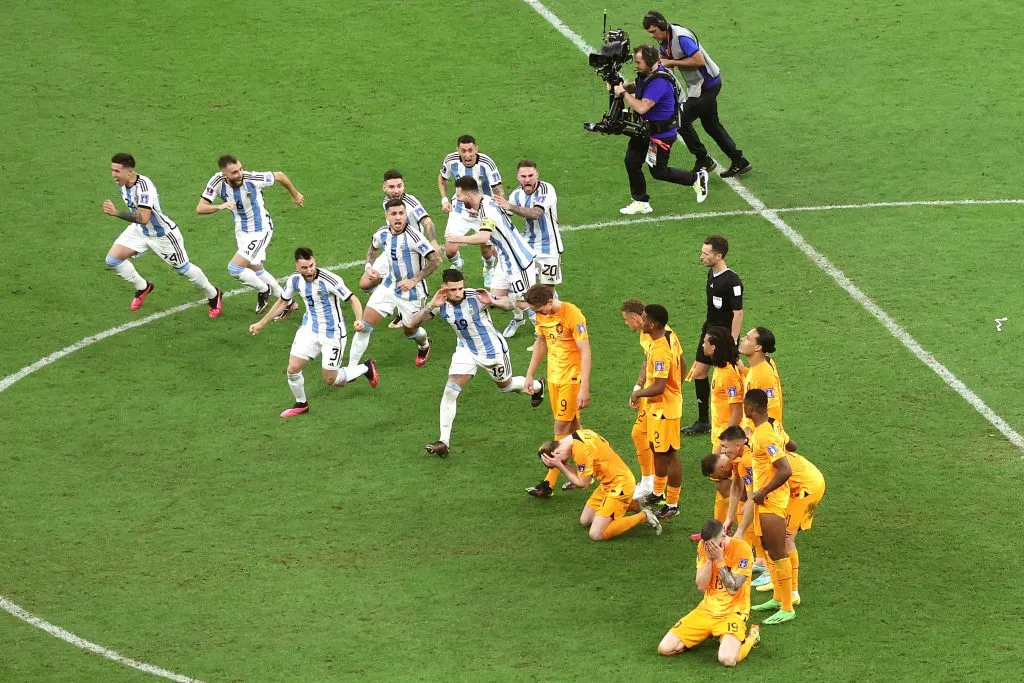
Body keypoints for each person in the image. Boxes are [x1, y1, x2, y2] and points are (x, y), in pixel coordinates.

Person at [404, 269, 545, 458]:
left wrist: (493, 301)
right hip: (465, 350)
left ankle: (537, 386)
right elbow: (411, 324)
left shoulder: (476, 296)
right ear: (444, 287)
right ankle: (443, 442)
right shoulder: (439, 302)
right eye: (453, 289)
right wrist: (430, 306)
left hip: (491, 351)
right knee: (450, 391)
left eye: (460, 288)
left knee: (507, 386)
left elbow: (512, 304)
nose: (458, 293)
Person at [249, 247, 378, 418]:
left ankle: (365, 367)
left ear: (314, 261)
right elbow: (282, 301)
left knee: (330, 380)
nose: (309, 270)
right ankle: (301, 403)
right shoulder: (294, 280)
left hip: (332, 334)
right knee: (293, 368)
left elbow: (353, 299)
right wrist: (261, 323)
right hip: (309, 329)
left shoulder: (330, 280)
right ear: (297, 266)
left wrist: (359, 320)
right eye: (304, 267)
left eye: (311, 265)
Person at [102, 153, 223, 317]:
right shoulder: (124, 184)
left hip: (162, 236)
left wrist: (116, 213)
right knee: (112, 260)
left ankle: (213, 294)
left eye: (117, 171)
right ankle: (143, 287)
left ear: (130, 172)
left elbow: (144, 218)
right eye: (112, 170)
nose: (113, 175)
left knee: (184, 269)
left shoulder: (144, 187)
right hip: (140, 231)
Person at [642, 11, 752, 177]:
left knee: (679, 120)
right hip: (699, 86)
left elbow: (698, 60)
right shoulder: (664, 40)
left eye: (653, 31)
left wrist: (671, 62)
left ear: (662, 26)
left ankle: (704, 159)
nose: (652, 36)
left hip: (706, 85)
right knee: (711, 124)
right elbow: (663, 60)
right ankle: (739, 160)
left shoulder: (681, 37)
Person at [196, 155, 304, 316]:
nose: (239, 174)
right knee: (256, 269)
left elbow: (280, 176)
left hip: (261, 230)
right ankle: (288, 303)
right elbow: (200, 208)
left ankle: (263, 289)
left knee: (235, 268)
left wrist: (295, 194)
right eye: (234, 172)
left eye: (240, 169)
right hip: (242, 231)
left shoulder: (252, 178)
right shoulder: (217, 182)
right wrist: (221, 206)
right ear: (224, 173)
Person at [612, 44, 709, 215]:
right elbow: (639, 86)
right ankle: (640, 201)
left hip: (660, 135)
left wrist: (623, 94)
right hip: (645, 129)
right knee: (632, 161)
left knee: (658, 171)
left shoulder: (660, 82)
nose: (636, 65)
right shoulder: (648, 73)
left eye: (639, 62)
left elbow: (642, 108)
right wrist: (623, 86)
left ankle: (696, 178)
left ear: (650, 62)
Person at [349, 200, 440, 368]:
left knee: (410, 331)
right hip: (389, 286)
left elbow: (435, 261)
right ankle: (351, 370)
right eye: (394, 214)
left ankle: (424, 346)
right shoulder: (382, 233)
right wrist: (368, 267)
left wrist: (414, 280)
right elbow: (372, 249)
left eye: (401, 213)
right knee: (364, 325)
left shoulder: (415, 237)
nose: (398, 218)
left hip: (412, 292)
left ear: (406, 215)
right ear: (386, 216)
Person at [658, 519, 760, 665]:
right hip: (706, 611)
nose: (711, 547)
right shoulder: (703, 547)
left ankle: (752, 636)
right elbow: (701, 586)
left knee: (727, 659)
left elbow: (733, 589)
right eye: (708, 544)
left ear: (724, 535)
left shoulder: (742, 549)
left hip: (733, 613)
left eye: (715, 544)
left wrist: (719, 560)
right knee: (664, 648)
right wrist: (708, 560)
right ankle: (708, 633)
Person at [523, 285, 592, 497]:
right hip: (554, 377)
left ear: (550, 301)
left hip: (572, 379)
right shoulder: (541, 316)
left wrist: (584, 387)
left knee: (560, 427)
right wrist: (529, 373)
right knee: (574, 428)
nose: (537, 313)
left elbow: (585, 351)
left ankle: (548, 483)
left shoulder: (572, 314)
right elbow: (541, 341)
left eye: (539, 309)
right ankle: (586, 470)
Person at [445, 176, 537, 332]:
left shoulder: (486, 210)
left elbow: (483, 237)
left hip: (518, 261)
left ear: (468, 195)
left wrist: (457, 238)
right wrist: (476, 214)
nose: (458, 200)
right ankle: (519, 318)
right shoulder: (485, 201)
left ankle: (542, 334)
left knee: (528, 301)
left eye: (459, 196)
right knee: (495, 298)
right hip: (504, 260)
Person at [537, 430, 662, 541]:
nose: (565, 462)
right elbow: (583, 475)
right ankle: (633, 504)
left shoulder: (581, 450)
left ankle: (643, 516)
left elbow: (583, 483)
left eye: (562, 461)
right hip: (608, 483)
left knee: (597, 534)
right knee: (585, 520)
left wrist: (561, 466)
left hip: (620, 485)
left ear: (556, 452)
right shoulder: (579, 434)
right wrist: (561, 464)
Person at [683, 236, 744, 436]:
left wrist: (733, 341)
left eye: (706, 253)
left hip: (724, 337)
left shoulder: (732, 281)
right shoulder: (712, 273)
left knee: (731, 377)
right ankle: (703, 421)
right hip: (709, 330)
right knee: (699, 373)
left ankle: (740, 418)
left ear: (719, 256)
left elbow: (738, 313)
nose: (701, 257)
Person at [744, 388, 795, 624]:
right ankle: (777, 597)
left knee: (777, 551)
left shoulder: (765, 435)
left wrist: (763, 491)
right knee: (766, 546)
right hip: (765, 499)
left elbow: (785, 469)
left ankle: (787, 607)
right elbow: (791, 444)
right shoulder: (768, 428)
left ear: (751, 409)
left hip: (772, 500)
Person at [495, 160, 563, 339]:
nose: (527, 179)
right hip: (528, 248)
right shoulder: (516, 195)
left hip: (550, 249)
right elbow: (504, 215)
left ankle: (556, 320)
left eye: (530, 175)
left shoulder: (547, 190)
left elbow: (536, 214)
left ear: (537, 175)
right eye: (523, 176)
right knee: (521, 287)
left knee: (547, 291)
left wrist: (509, 206)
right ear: (518, 178)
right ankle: (522, 320)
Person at [631, 304, 686, 519]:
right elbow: (681, 362)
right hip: (658, 407)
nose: (640, 322)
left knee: (669, 454)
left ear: (652, 325)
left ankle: (672, 504)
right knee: (656, 448)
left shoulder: (661, 349)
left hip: (666, 409)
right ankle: (657, 491)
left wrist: (637, 393)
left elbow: (660, 386)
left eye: (643, 319)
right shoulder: (663, 338)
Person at [437, 135, 503, 284]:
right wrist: (444, 200)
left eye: (470, 150)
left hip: (484, 210)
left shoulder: (486, 163)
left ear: (476, 149)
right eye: (463, 150)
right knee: (449, 249)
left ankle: (488, 267)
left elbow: (498, 189)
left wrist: (494, 208)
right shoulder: (450, 160)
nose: (467, 154)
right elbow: (442, 179)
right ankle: (458, 264)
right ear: (458, 150)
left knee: (487, 249)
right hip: (460, 209)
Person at [378, 169, 439, 329]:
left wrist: (433, 241)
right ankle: (397, 305)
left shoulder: (411, 202)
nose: (396, 190)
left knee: (411, 324)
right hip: (393, 244)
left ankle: (431, 307)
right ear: (384, 188)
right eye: (392, 187)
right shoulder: (386, 202)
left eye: (399, 186)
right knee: (366, 283)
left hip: (413, 248)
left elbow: (427, 221)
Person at [703, 326, 745, 525]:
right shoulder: (721, 369)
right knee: (722, 483)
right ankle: (720, 526)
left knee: (726, 483)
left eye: (705, 342)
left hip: (726, 437)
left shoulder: (728, 374)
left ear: (714, 347)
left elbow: (737, 410)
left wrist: (724, 444)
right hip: (721, 433)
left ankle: (725, 527)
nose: (703, 344)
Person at [738, 326, 784, 433]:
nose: (742, 339)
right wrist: (744, 370)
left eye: (748, 338)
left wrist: (750, 432)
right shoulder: (758, 367)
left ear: (758, 347)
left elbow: (772, 409)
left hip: (758, 437)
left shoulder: (765, 375)